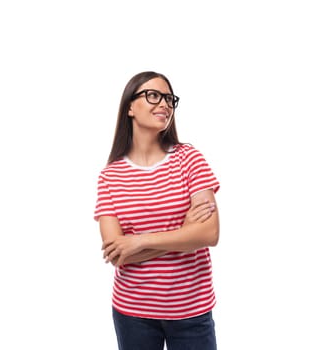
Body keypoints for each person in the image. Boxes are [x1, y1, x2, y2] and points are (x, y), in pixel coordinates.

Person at [93, 71, 221, 350]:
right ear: (129, 107)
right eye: (153, 95)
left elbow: (209, 233)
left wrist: (139, 241)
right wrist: (184, 234)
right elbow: (117, 254)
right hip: (132, 312)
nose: (164, 104)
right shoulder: (110, 176)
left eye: (169, 99)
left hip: (191, 311)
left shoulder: (189, 159)